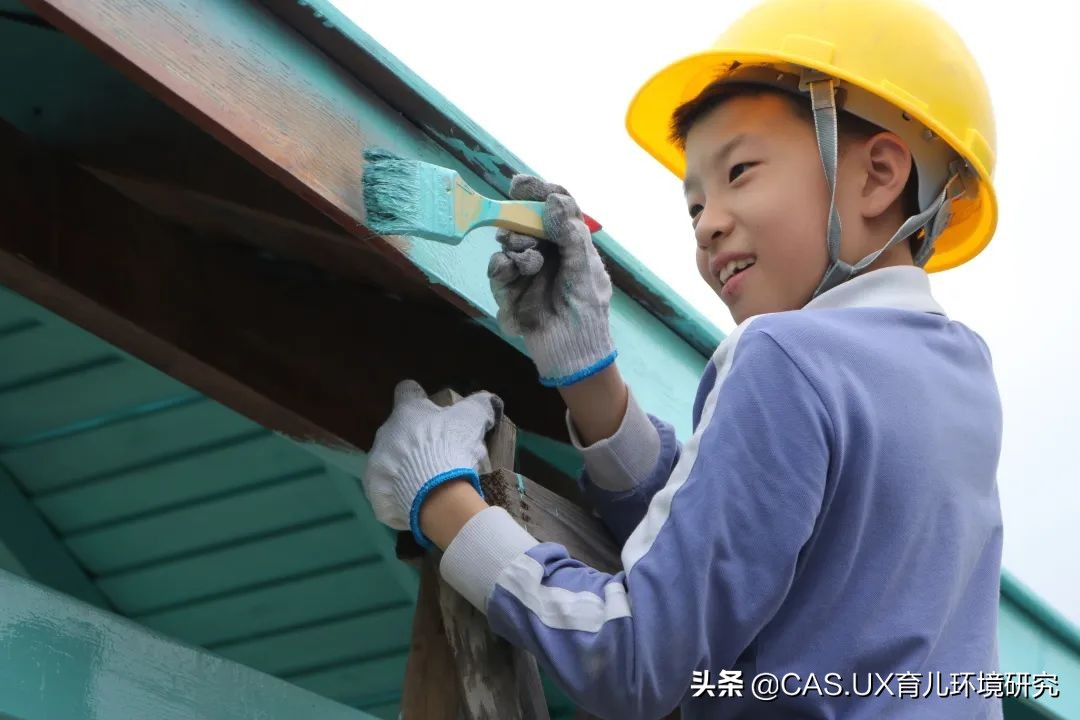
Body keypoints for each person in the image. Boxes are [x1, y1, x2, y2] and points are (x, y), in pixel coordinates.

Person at [363, 0, 1005, 716]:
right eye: (694, 206)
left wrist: (443, 501)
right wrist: (589, 375)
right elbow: (732, 550)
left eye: (741, 172)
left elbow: (636, 656)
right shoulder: (963, 375)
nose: (707, 226)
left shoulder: (782, 354)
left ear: (877, 175)